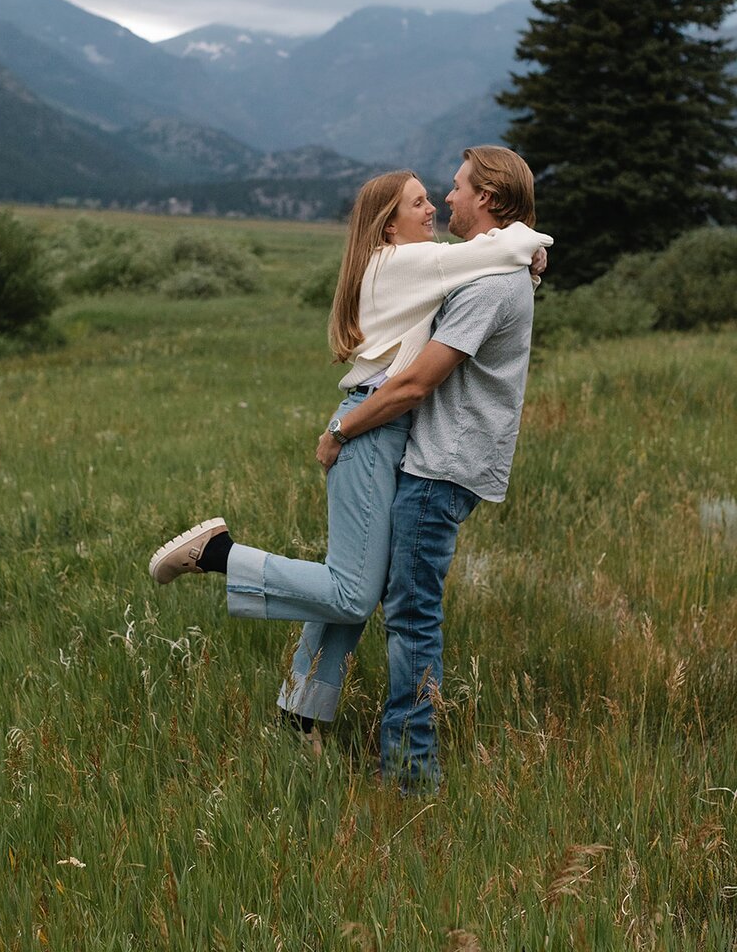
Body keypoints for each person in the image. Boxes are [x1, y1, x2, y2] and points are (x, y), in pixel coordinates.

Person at [149, 157, 551, 759]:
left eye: (444, 193)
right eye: (419, 203)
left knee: (353, 580)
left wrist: (529, 263)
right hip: (371, 422)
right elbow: (487, 258)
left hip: (386, 427)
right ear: (388, 227)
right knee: (352, 593)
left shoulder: (419, 267)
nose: (437, 205)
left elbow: (490, 262)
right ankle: (218, 554)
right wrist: (340, 431)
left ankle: (301, 710)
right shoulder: (404, 263)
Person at [313, 146, 543, 791]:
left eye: (458, 188)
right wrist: (530, 250)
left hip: (440, 467)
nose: (447, 199)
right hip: (439, 460)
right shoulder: (497, 271)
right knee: (374, 594)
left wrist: (339, 429)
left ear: (489, 199)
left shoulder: (490, 285)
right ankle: (306, 712)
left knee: (410, 616)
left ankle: (411, 775)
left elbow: (415, 385)